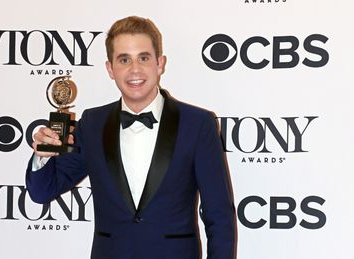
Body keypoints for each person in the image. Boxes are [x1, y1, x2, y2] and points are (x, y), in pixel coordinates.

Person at [26, 16, 236, 259]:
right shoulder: (92, 124)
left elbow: (219, 215)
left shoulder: (198, 124)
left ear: (160, 64)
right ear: (110, 69)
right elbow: (42, 192)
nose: (135, 69)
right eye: (124, 59)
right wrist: (42, 156)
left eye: (143, 58)